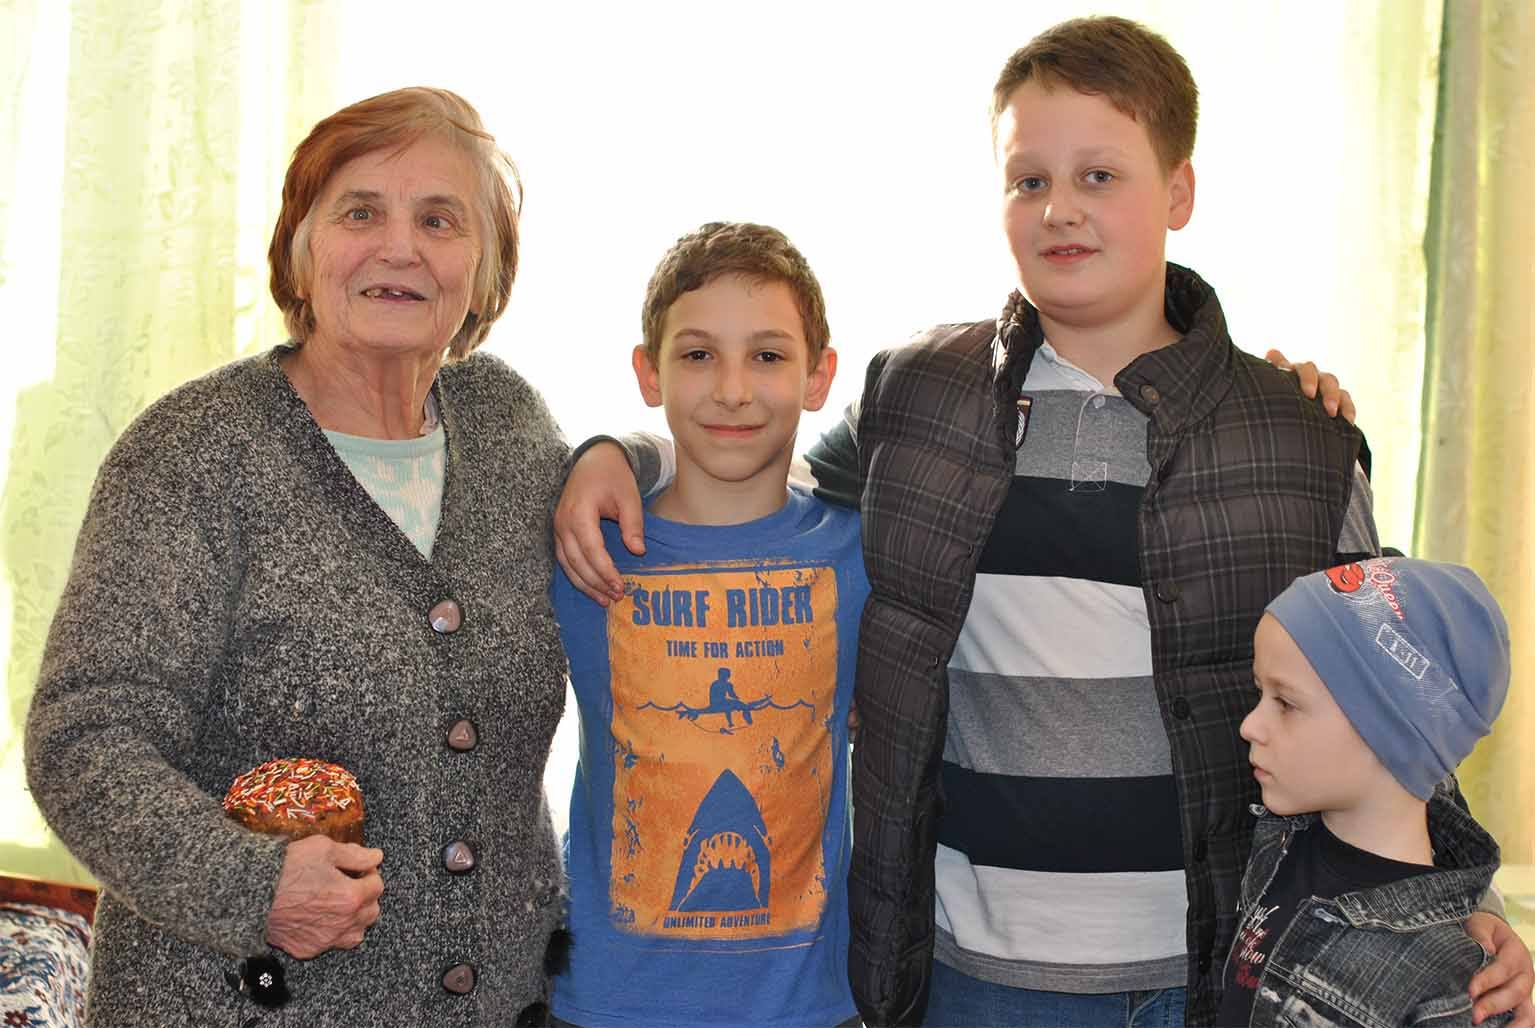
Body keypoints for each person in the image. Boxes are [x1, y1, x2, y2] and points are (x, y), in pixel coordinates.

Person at [550, 16, 1533, 1028]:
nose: (1060, 208)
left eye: (1098, 175)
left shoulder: (1294, 438)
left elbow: (1398, 692)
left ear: (1179, 191)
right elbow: (750, 464)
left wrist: (1456, 901)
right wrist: (620, 453)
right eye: (1028, 180)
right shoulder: (916, 395)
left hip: (1206, 972)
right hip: (967, 977)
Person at [25, 87, 569, 1026]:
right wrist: (250, 884)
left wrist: (627, 457)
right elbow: (84, 739)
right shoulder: (193, 452)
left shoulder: (510, 426)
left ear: (486, 271)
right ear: (300, 249)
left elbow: (650, 506)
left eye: (439, 220)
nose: (399, 247)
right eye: (360, 213)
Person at [550, 222, 867, 1028]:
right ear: (647, 373)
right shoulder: (583, 546)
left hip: (808, 1007)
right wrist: (609, 451)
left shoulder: (860, 552)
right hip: (607, 1003)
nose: (731, 389)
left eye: (767, 356)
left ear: (817, 376)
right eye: (697, 355)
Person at [1224, 558, 1511, 1027]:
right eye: (1260, 693)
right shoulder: (1280, 842)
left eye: (1286, 703)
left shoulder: (1448, 985)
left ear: (1392, 735)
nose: (1249, 725)